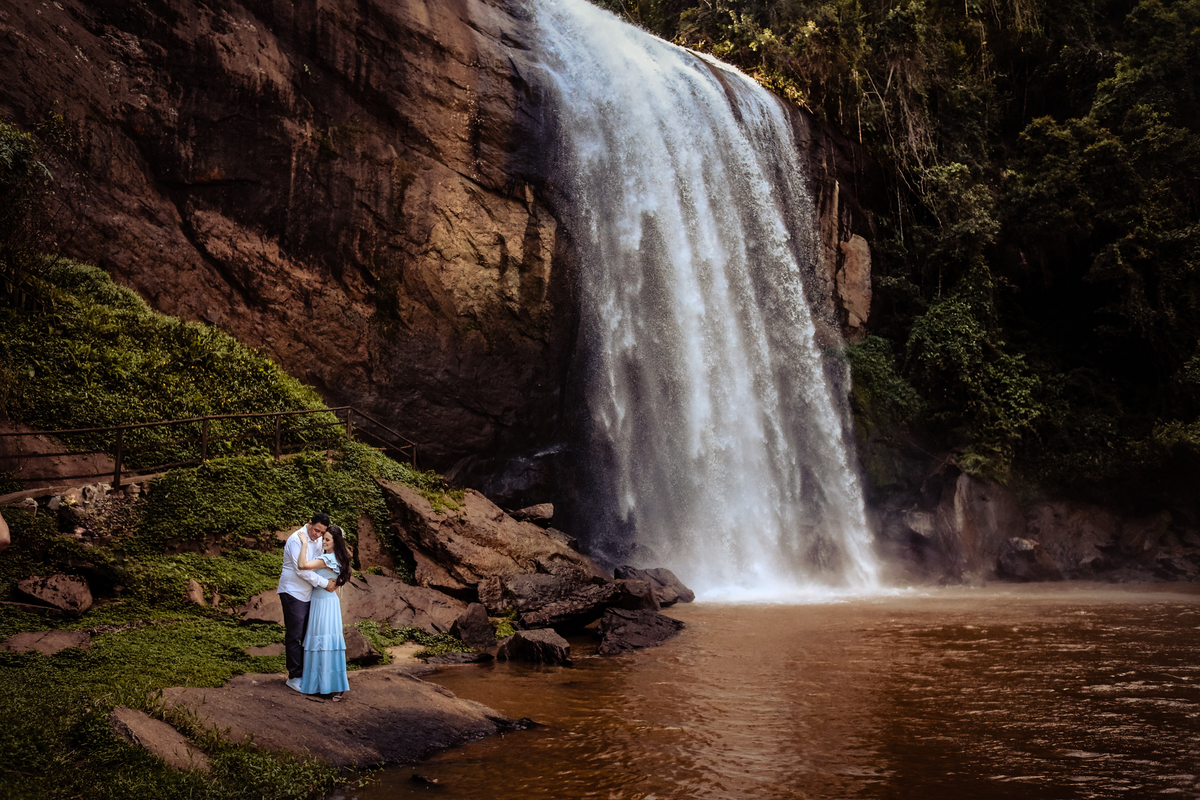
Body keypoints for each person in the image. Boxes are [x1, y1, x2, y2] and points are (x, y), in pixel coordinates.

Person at [277, 513, 335, 692]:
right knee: (295, 635)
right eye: (316, 530)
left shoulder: (319, 540)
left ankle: (307, 673)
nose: (318, 535)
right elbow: (301, 570)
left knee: (308, 634)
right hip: (292, 592)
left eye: (322, 532)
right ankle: (294, 676)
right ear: (309, 523)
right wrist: (325, 583)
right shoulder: (296, 539)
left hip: (310, 593)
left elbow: (318, 563)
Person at [297, 524, 352, 699]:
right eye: (324, 539)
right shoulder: (333, 557)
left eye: (327, 539)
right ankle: (325, 685)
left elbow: (302, 565)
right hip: (323, 602)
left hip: (324, 604)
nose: (324, 542)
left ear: (336, 542)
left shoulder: (328, 559)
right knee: (324, 644)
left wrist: (305, 543)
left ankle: (331, 686)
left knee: (324, 644)